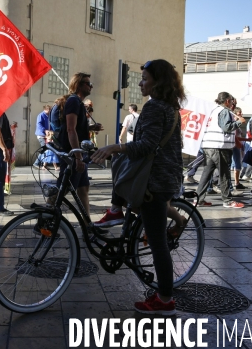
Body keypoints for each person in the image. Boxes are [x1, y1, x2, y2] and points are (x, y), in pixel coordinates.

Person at [91, 59, 185, 315]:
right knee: (152, 233)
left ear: (158, 81)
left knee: (157, 244)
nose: (141, 82)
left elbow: (146, 145)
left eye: (144, 78)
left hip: (153, 180)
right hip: (166, 177)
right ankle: (120, 211)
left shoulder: (155, 107)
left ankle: (164, 300)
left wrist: (114, 147)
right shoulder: (170, 107)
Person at [54, 72, 103, 218]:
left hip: (79, 153)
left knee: (83, 188)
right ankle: (44, 219)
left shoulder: (78, 103)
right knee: (62, 189)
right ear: (79, 85)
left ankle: (88, 224)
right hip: (73, 155)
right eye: (88, 83)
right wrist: (77, 157)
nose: (91, 86)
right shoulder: (73, 102)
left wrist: (90, 128)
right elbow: (70, 129)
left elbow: (76, 127)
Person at [194, 92, 245, 208]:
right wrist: (238, 122)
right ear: (227, 101)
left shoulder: (213, 110)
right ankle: (227, 200)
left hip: (208, 145)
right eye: (232, 101)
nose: (232, 104)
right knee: (224, 173)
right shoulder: (224, 111)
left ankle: (199, 199)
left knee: (206, 174)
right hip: (219, 147)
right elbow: (226, 127)